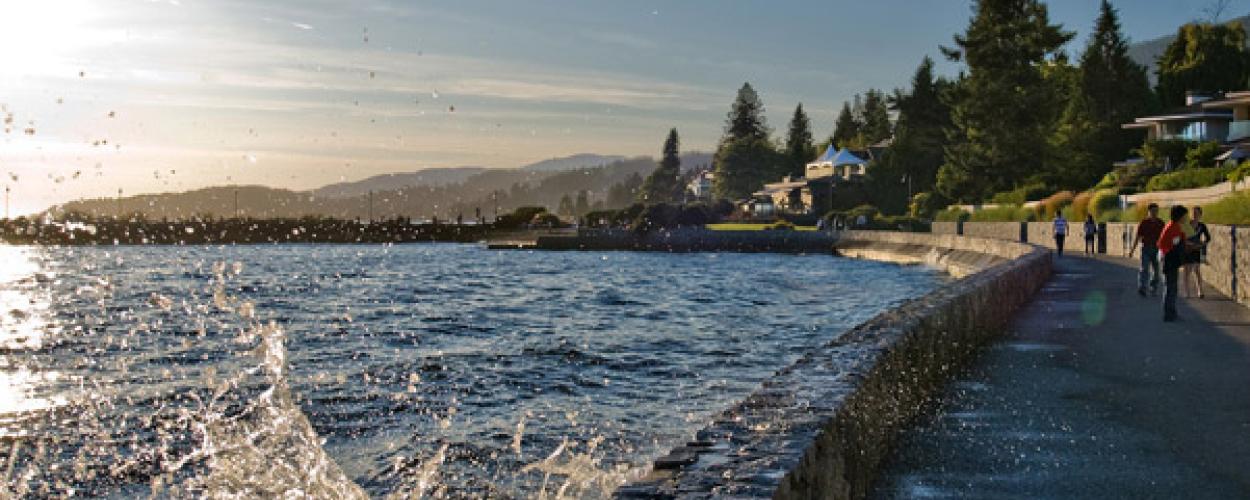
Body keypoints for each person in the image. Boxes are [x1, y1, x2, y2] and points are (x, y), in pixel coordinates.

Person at [1157, 205, 1191, 322]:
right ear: (1180, 216)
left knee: (1171, 287)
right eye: (1185, 215)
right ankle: (1169, 314)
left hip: (1169, 259)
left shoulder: (1174, 226)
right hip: (1169, 260)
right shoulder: (1173, 227)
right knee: (1170, 287)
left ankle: (1171, 312)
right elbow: (1163, 244)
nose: (1186, 217)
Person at [1128, 203, 1164, 296]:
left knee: (1156, 271)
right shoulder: (1144, 223)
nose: (1155, 213)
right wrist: (1132, 250)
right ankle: (1142, 287)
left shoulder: (1161, 223)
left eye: (1156, 211)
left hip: (1157, 249)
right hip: (1146, 248)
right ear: (1149, 211)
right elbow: (1137, 237)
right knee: (1144, 269)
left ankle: (1153, 288)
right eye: (1153, 211)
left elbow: (1164, 238)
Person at [1183, 206, 1212, 299]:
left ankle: (1200, 290)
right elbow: (1182, 237)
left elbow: (1208, 238)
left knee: (1196, 270)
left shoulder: (1202, 226)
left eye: (1196, 213)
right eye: (1193, 213)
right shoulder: (1186, 225)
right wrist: (1188, 243)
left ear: (1200, 215)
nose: (1194, 215)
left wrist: (1202, 244)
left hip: (1197, 250)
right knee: (1187, 271)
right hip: (1187, 250)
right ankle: (1187, 292)